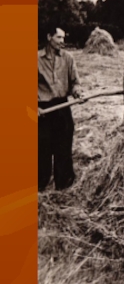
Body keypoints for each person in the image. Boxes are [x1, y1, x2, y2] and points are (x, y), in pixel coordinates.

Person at [38, 26, 83, 191]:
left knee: (63, 148)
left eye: (63, 38)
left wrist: (77, 92)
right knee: (42, 149)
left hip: (63, 108)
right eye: (59, 38)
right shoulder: (35, 59)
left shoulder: (68, 58)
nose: (62, 42)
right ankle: (39, 186)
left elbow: (75, 82)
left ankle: (63, 187)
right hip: (42, 111)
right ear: (49, 37)